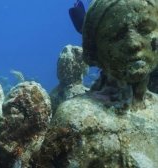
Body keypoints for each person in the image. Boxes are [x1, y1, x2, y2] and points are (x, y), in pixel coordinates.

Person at [36, 0, 158, 167]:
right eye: (116, 35)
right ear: (93, 52)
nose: (134, 44)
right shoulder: (76, 120)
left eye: (144, 30)